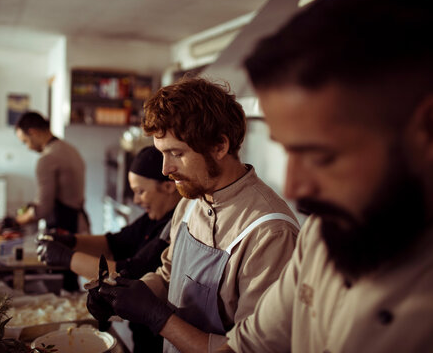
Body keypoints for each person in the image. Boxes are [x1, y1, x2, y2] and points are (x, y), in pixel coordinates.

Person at [218, 0, 433, 352]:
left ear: (431, 129)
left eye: (321, 157)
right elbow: (251, 345)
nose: (293, 187)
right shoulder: (325, 234)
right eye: (288, 150)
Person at [89, 77, 300, 353]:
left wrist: (158, 318)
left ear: (219, 147)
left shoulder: (269, 232)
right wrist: (123, 298)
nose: (165, 169)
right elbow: (168, 276)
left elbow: (251, 350)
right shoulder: (190, 203)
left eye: (176, 153)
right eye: (162, 154)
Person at [37, 145, 182, 353]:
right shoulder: (153, 217)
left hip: (159, 341)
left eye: (141, 191)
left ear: (168, 186)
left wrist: (66, 257)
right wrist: (71, 240)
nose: (136, 200)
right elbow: (114, 242)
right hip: (141, 334)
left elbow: (130, 271)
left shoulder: (172, 225)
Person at [15, 111, 90, 291]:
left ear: (33, 132)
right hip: (80, 222)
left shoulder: (47, 159)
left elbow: (43, 208)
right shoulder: (70, 149)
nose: (28, 147)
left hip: (63, 228)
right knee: (72, 280)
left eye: (25, 141)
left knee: (61, 286)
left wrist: (17, 221)